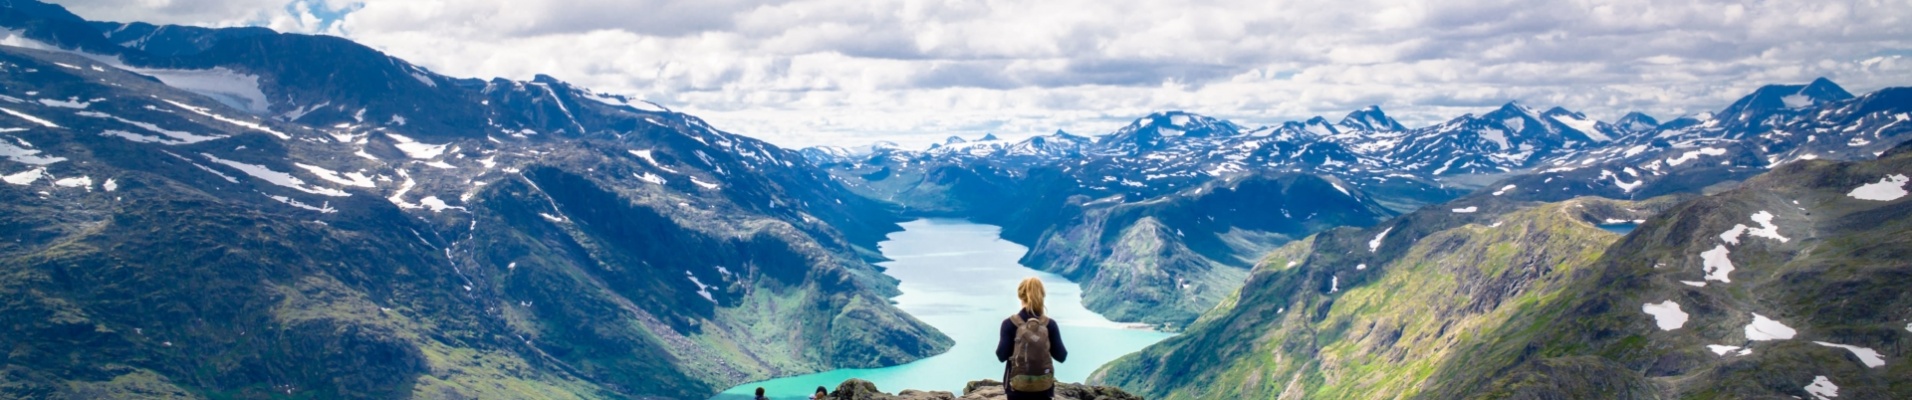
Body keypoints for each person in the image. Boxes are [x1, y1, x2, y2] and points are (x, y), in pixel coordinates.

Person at [995, 277, 1068, 400]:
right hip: (1044, 389)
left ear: (1020, 296)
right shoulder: (1049, 324)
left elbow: (1001, 355)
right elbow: (1061, 356)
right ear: (1042, 296)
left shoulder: (1009, 323)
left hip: (1016, 390)